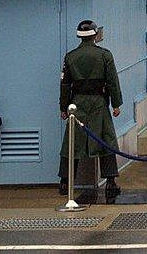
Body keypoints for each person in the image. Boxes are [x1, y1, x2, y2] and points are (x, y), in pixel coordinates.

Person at [59, 20, 122, 204]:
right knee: (106, 139)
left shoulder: (70, 57)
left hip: (77, 102)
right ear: (95, 35)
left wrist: (64, 108)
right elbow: (112, 81)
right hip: (98, 103)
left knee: (71, 142)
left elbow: (65, 85)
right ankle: (110, 181)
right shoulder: (104, 55)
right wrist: (116, 104)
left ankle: (64, 182)